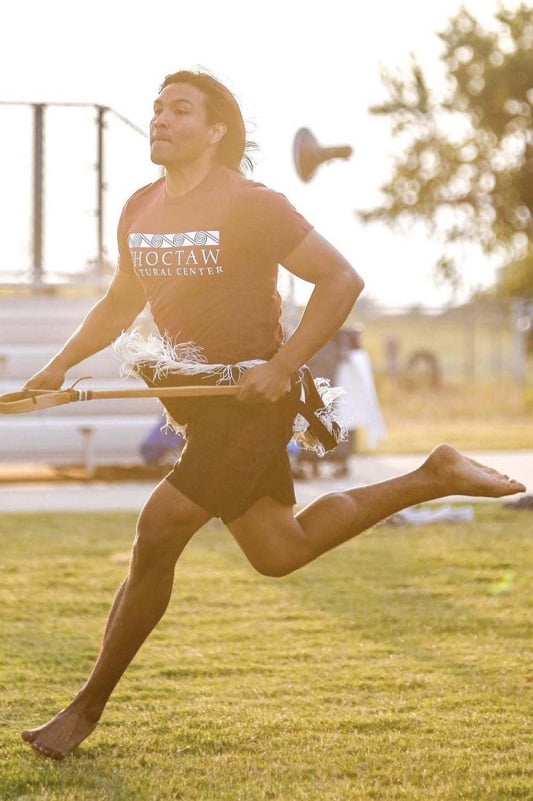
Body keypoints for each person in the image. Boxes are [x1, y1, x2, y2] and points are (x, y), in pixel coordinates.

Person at [20, 69, 525, 761]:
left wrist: (283, 365)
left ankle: (84, 709)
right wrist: (59, 366)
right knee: (277, 550)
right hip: (203, 405)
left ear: (216, 130)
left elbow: (341, 278)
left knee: (158, 526)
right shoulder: (139, 207)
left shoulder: (252, 203)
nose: (161, 120)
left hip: (254, 400)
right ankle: (432, 474)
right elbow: (118, 303)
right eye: (157, 109)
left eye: (180, 110)